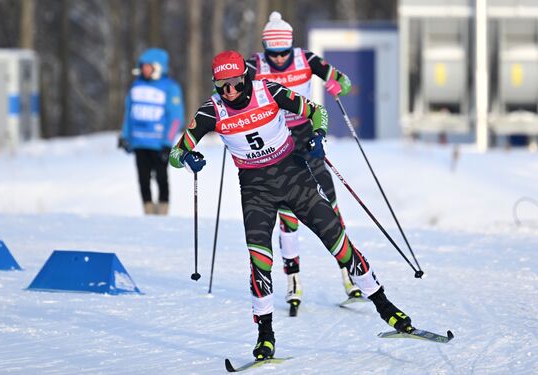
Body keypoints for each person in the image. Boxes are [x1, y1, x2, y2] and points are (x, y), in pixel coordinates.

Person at [169, 50, 413, 360]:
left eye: (235, 83)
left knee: (337, 241)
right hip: (256, 189)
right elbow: (175, 155)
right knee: (260, 261)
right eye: (222, 86)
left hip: (294, 176)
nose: (230, 92)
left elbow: (317, 112)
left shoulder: (268, 90)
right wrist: (188, 157)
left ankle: (385, 307)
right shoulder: (211, 112)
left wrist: (318, 135)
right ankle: (265, 335)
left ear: (246, 77)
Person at [245, 11, 358, 310]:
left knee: (330, 205)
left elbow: (344, 82)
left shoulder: (306, 60)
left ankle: (349, 273)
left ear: (291, 46)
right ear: (265, 47)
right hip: (277, 143)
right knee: (288, 214)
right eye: (274, 53)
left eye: (284, 52)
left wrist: (337, 86)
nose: (279, 59)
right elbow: (229, 92)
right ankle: (293, 279)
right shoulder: (254, 65)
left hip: (308, 136)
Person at [119, 48, 184, 215]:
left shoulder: (170, 88)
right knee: (143, 179)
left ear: (158, 67)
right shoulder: (136, 86)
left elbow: (176, 118)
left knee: (162, 178)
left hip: (159, 144)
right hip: (140, 143)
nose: (144, 69)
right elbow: (129, 113)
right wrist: (125, 136)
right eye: (142, 66)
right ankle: (148, 210)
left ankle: (162, 211)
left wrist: (167, 143)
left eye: (148, 66)